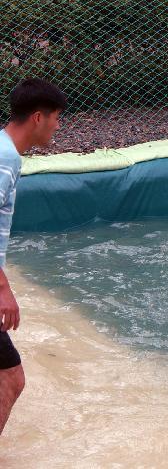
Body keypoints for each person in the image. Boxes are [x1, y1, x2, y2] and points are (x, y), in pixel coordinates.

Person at [0, 79, 67, 435]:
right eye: (57, 118)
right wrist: (3, 288)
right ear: (38, 117)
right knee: (11, 379)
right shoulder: (6, 158)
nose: (58, 126)